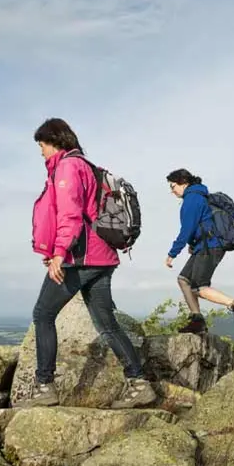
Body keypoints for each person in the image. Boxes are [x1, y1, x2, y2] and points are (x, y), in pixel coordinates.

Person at [21, 117, 156, 409]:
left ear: (54, 141)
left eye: (42, 145)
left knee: (43, 314)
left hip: (80, 258)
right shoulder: (85, 165)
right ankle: (139, 383)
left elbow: (70, 215)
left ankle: (44, 386)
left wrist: (59, 253)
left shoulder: (67, 167)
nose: (40, 151)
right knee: (107, 324)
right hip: (101, 256)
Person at [164, 169, 234, 334]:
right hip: (205, 245)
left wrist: (172, 253)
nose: (172, 191)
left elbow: (187, 229)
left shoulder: (192, 199)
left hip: (209, 246)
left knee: (199, 287)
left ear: (183, 182)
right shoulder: (199, 196)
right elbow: (200, 225)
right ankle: (197, 320)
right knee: (184, 279)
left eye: (173, 186)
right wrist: (193, 244)